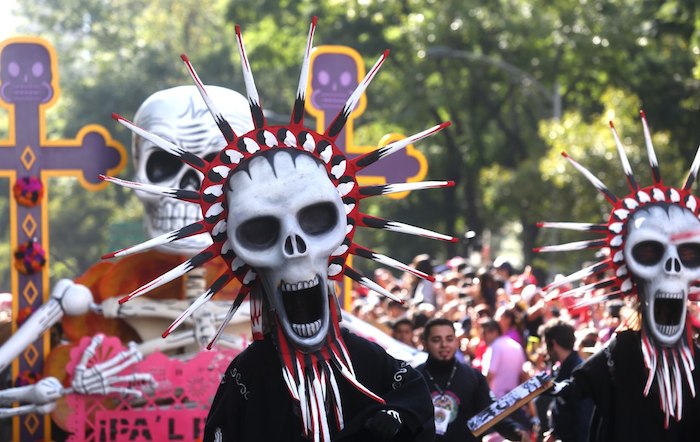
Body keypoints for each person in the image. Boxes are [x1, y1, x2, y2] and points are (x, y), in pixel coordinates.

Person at [106, 17, 454, 442]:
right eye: (260, 231)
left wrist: (395, 416)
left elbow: (412, 397)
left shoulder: (366, 358)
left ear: (339, 238)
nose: (294, 247)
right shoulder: (249, 375)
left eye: (315, 221)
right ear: (241, 255)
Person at [416, 318, 529, 442]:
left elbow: (490, 411)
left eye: (449, 339)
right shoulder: (414, 378)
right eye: (436, 340)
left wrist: (514, 430)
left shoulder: (473, 376)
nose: (444, 345)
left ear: (456, 341)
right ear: (425, 343)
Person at [540, 319, 593, 442]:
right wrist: (554, 433)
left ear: (553, 343)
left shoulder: (578, 373)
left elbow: (583, 419)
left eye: (546, 345)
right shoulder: (562, 369)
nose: (545, 351)